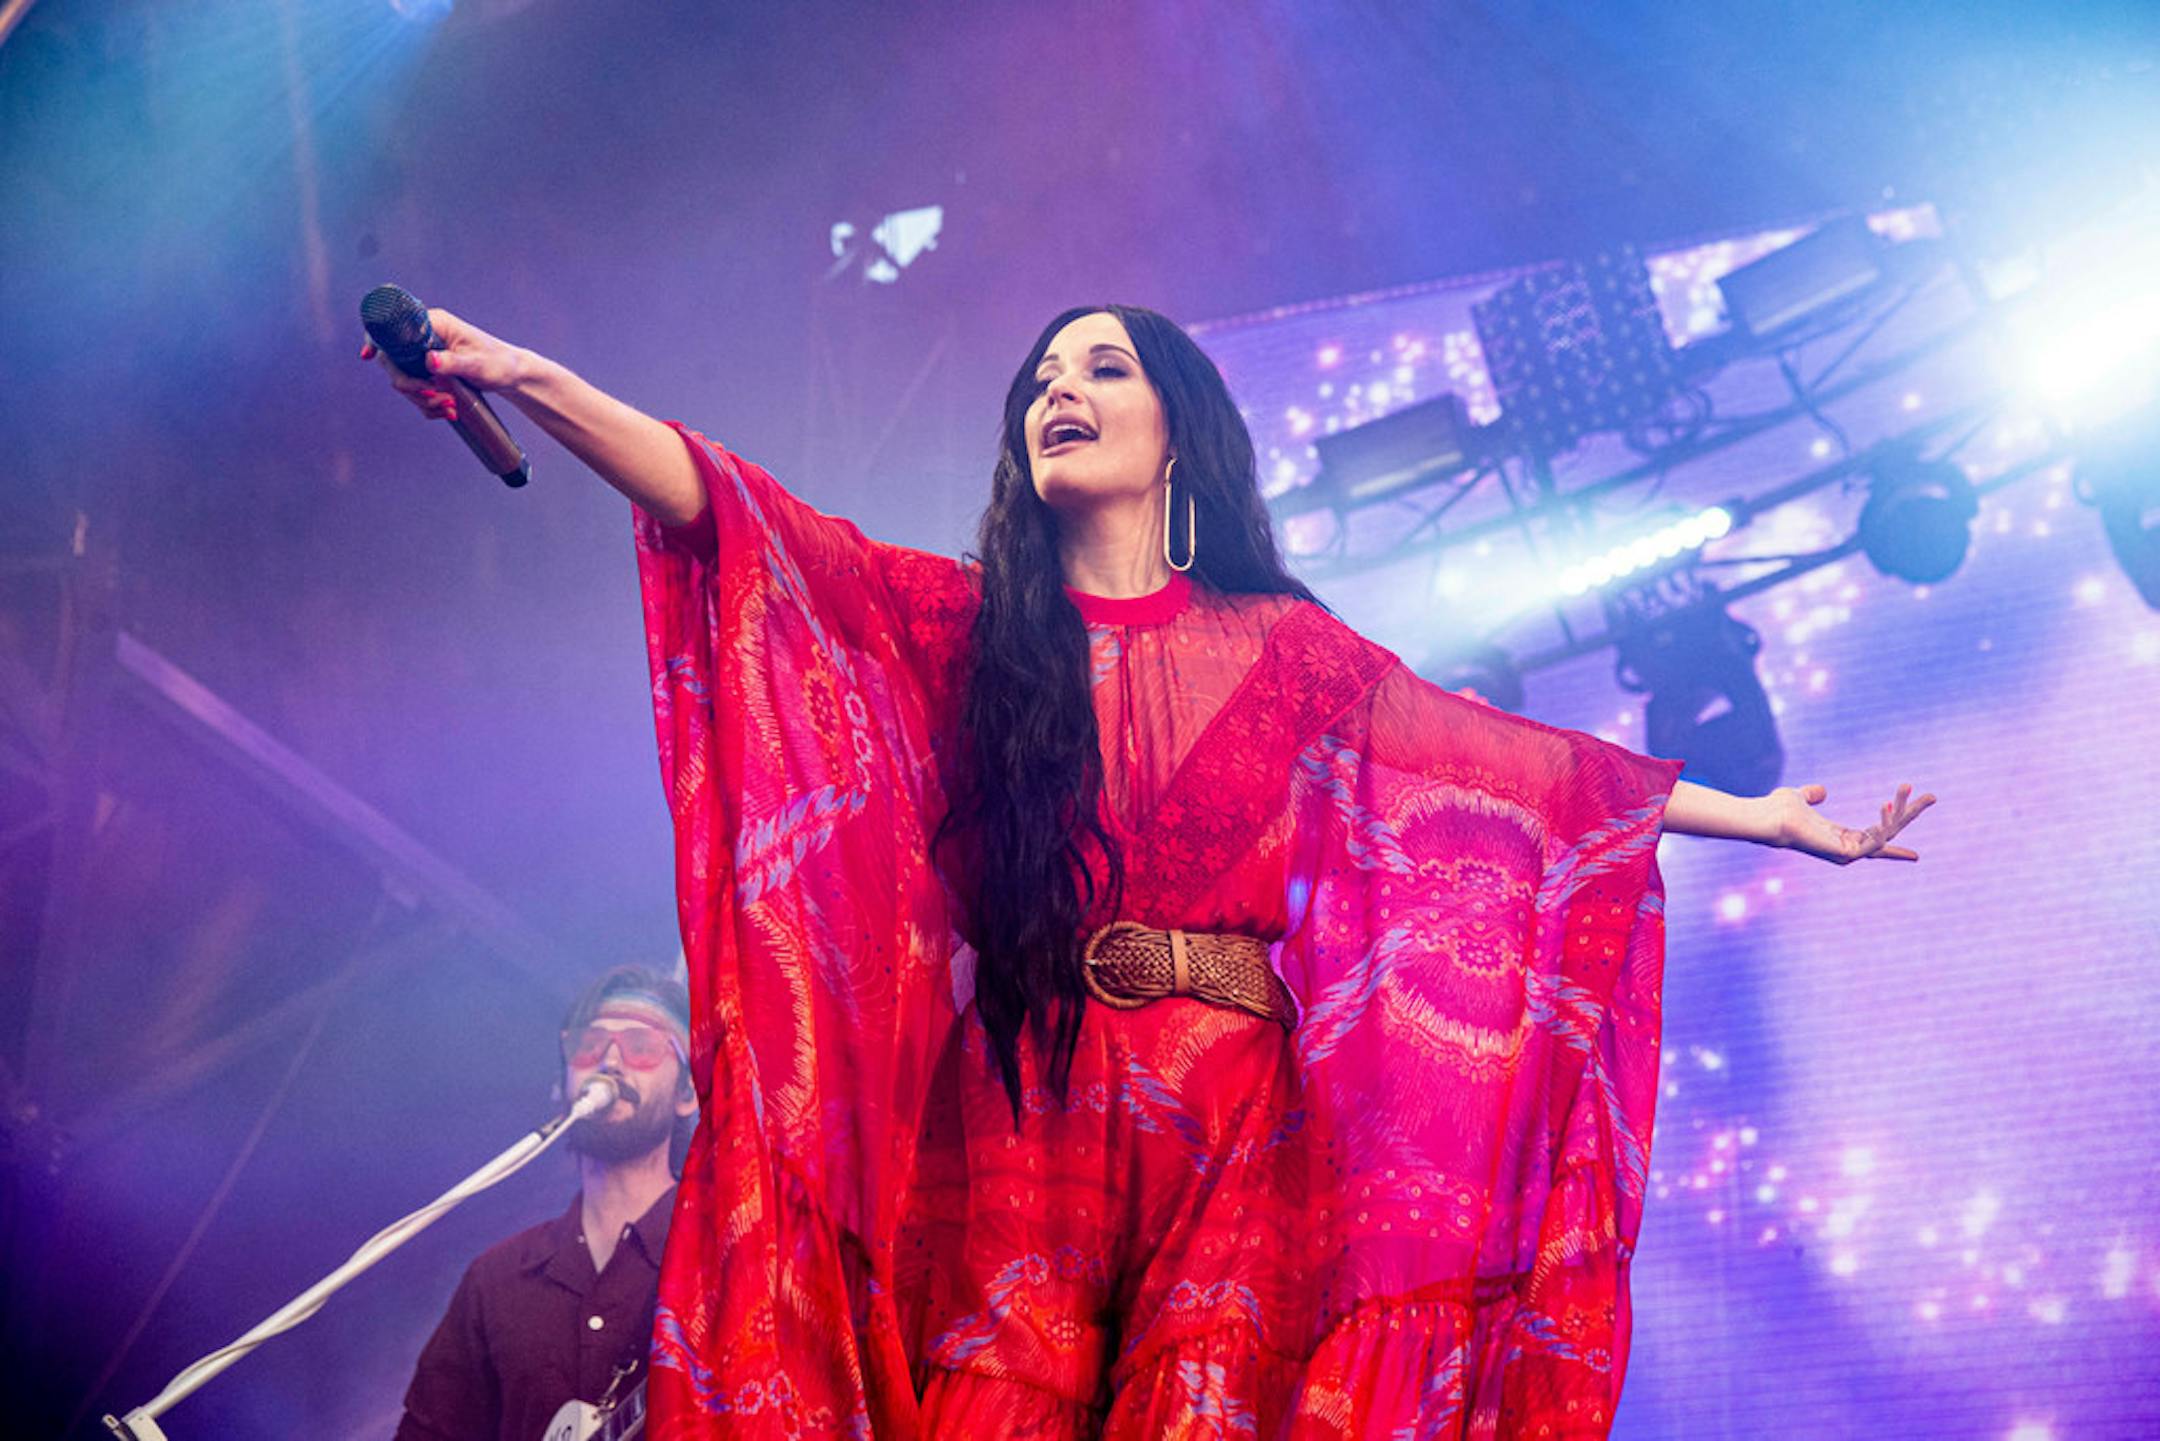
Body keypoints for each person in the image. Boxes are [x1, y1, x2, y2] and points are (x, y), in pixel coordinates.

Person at [366, 306, 1932, 1439]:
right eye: (1040, 374)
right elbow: (732, 508)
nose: (1061, 388)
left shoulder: (1297, 655)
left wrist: (1768, 817)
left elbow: (1522, 772)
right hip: (1026, 1109)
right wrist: (521, 373)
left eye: (1103, 366)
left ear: (1178, 421)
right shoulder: (968, 628)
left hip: (1237, 1126)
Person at [392, 965, 698, 1441]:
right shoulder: (496, 1279)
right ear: (562, 1085)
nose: (610, 1062)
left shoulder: (726, 1253)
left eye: (642, 1047)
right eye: (589, 1045)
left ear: (686, 1094)